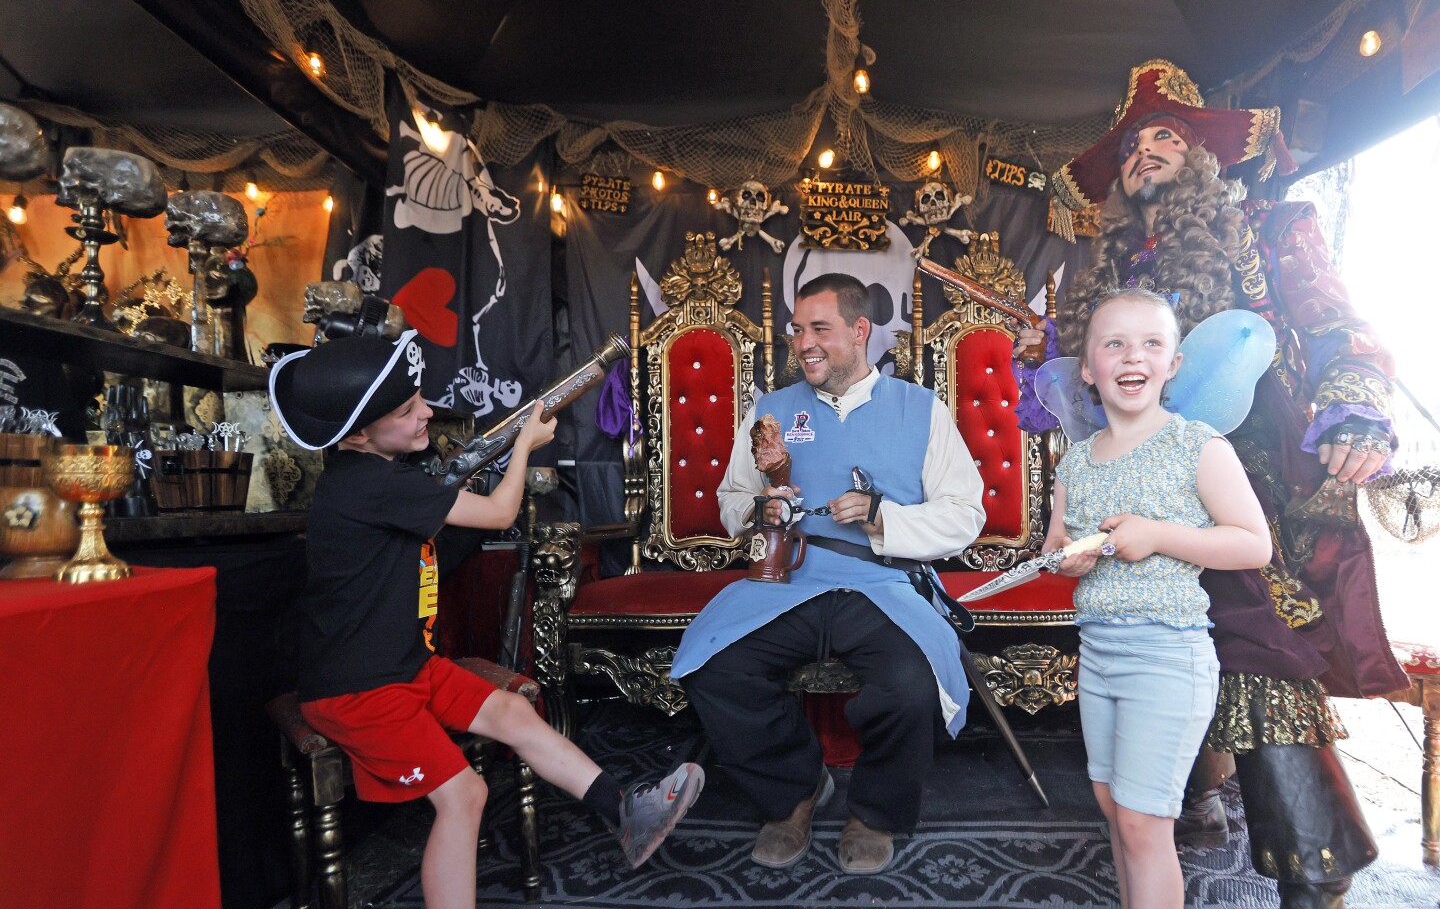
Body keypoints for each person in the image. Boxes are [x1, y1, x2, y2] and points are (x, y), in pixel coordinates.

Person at [1019, 59, 1406, 909]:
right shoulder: (1104, 263)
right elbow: (1065, 379)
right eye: (1132, 144)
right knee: (1149, 632)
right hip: (1132, 486)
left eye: (1166, 135)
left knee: (1260, 650)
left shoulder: (1269, 226)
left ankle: (1316, 874)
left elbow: (1337, 321)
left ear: (1204, 158)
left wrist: (1351, 403)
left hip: (1243, 477)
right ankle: (1181, 799)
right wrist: (1042, 369)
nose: (1145, 151)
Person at [269, 331, 703, 909]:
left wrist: (456, 481)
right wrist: (523, 447)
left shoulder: (371, 480)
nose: (427, 412)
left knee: (512, 710)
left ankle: (625, 813)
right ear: (356, 434)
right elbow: (500, 515)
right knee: (466, 794)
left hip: (402, 665)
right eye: (406, 410)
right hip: (359, 688)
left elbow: (433, 555)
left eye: (419, 398)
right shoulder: (374, 484)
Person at [670, 273, 986, 874]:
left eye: (820, 329)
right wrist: (755, 509)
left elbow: (965, 513)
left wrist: (883, 517)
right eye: (797, 330)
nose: (804, 342)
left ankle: (875, 812)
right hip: (789, 581)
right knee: (712, 666)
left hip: (883, 582)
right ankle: (795, 791)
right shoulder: (772, 412)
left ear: (860, 330)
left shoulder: (920, 409)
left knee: (911, 682)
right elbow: (732, 496)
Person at [1047, 289, 1271, 908]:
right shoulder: (1076, 461)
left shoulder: (1198, 446)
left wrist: (1157, 536)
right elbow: (1057, 552)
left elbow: (1254, 544)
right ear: (1088, 368)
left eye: (1150, 343)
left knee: (1145, 823)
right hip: (1098, 656)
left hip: (1168, 657)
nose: (1131, 356)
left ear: (1173, 363)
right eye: (1113, 343)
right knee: (1115, 809)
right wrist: (1070, 560)